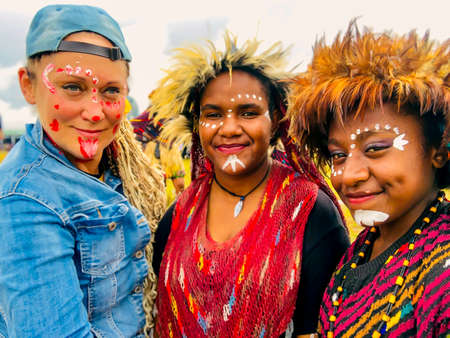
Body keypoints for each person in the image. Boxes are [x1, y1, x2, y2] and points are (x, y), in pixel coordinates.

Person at [150, 32, 349, 337]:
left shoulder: (311, 215)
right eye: (213, 114)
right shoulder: (178, 216)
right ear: (196, 126)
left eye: (248, 112)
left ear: (275, 123)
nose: (229, 128)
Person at [0, 5, 165, 337]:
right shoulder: (25, 201)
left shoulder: (113, 164)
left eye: (110, 91)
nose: (94, 112)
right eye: (73, 87)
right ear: (29, 86)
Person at [288, 22, 449, 337]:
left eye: (375, 149)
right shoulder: (360, 250)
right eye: (338, 155)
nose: (349, 174)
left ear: (438, 149)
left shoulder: (441, 275)